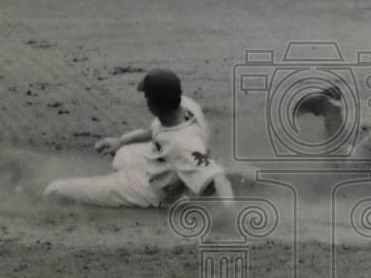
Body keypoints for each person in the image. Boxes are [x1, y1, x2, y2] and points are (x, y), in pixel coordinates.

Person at [44, 68, 234, 208]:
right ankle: (189, 176)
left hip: (150, 189)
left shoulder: (182, 143)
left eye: (147, 96)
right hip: (160, 161)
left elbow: (220, 180)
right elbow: (155, 131)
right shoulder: (186, 105)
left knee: (56, 189)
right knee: (121, 156)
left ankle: (171, 194)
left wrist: (230, 216)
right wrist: (121, 141)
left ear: (153, 106)